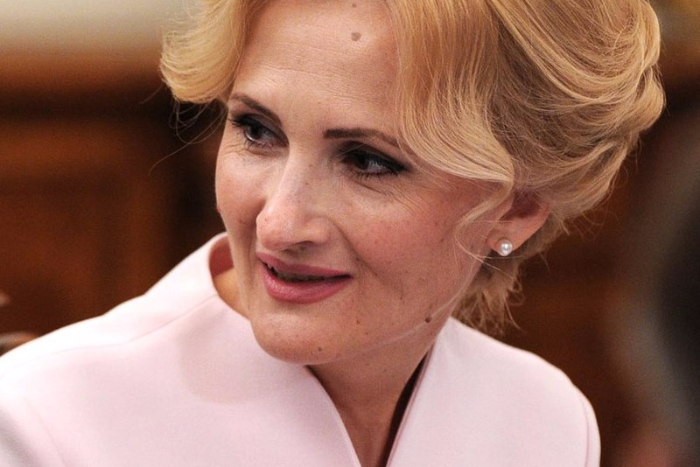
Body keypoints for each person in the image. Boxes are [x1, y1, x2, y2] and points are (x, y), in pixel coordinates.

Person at [0, 1, 663, 466]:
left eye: (367, 161)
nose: (279, 222)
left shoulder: (545, 423)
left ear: (517, 207)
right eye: (257, 130)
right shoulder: (44, 423)